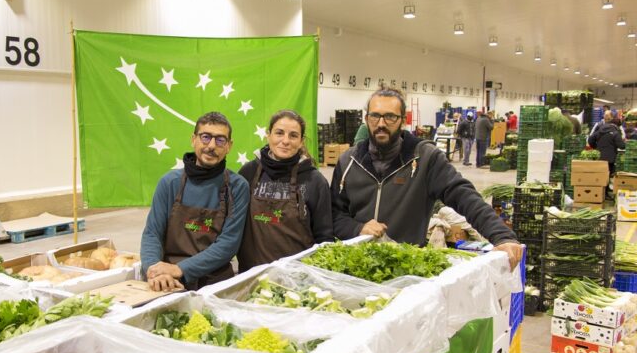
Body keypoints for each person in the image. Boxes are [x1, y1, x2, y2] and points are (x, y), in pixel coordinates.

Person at [330, 88, 523, 270]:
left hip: (407, 269)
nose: (381, 124)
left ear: (402, 120)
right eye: (375, 116)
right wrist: (358, 228)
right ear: (367, 118)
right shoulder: (348, 161)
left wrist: (502, 236)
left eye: (390, 117)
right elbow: (335, 215)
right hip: (356, 265)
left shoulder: (425, 159)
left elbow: (464, 195)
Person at [140, 112, 250, 291]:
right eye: (205, 137)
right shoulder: (169, 183)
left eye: (220, 140)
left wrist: (181, 269)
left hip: (215, 283)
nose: (211, 146)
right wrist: (154, 269)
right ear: (194, 139)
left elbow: (228, 244)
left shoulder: (237, 187)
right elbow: (152, 233)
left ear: (229, 146)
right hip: (168, 282)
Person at [237, 110, 333, 271]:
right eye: (279, 133)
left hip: (298, 276)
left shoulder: (315, 181)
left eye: (293, 135)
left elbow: (324, 237)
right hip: (250, 274)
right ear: (268, 135)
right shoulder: (248, 172)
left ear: (301, 141)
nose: (285, 141)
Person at [589, 111, 625, 181]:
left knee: (599, 177)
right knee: (608, 177)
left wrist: (596, 147)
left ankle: (600, 191)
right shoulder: (615, 132)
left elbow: (590, 140)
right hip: (610, 160)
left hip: (599, 157)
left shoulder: (599, 131)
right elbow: (621, 145)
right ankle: (606, 191)